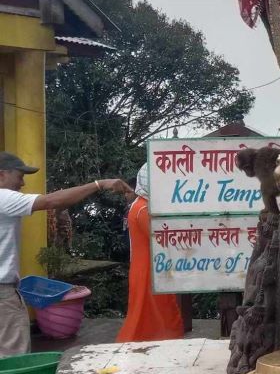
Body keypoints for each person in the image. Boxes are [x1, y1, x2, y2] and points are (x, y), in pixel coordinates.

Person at [0, 152, 133, 357]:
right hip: (2, 294)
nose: (23, 183)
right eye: (19, 176)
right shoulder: (3, 197)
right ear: (1, 175)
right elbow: (51, 202)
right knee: (12, 359)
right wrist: (99, 184)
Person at [116, 164, 183, 342]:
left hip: (146, 266)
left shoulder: (140, 205)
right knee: (153, 309)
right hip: (149, 268)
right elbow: (160, 238)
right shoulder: (143, 209)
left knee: (148, 309)